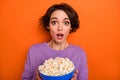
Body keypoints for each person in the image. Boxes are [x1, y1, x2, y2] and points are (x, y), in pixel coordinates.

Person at [22, 3, 88, 80]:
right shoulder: (34, 51)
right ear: (48, 25)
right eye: (54, 22)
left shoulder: (79, 53)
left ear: (71, 27)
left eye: (66, 23)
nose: (60, 28)